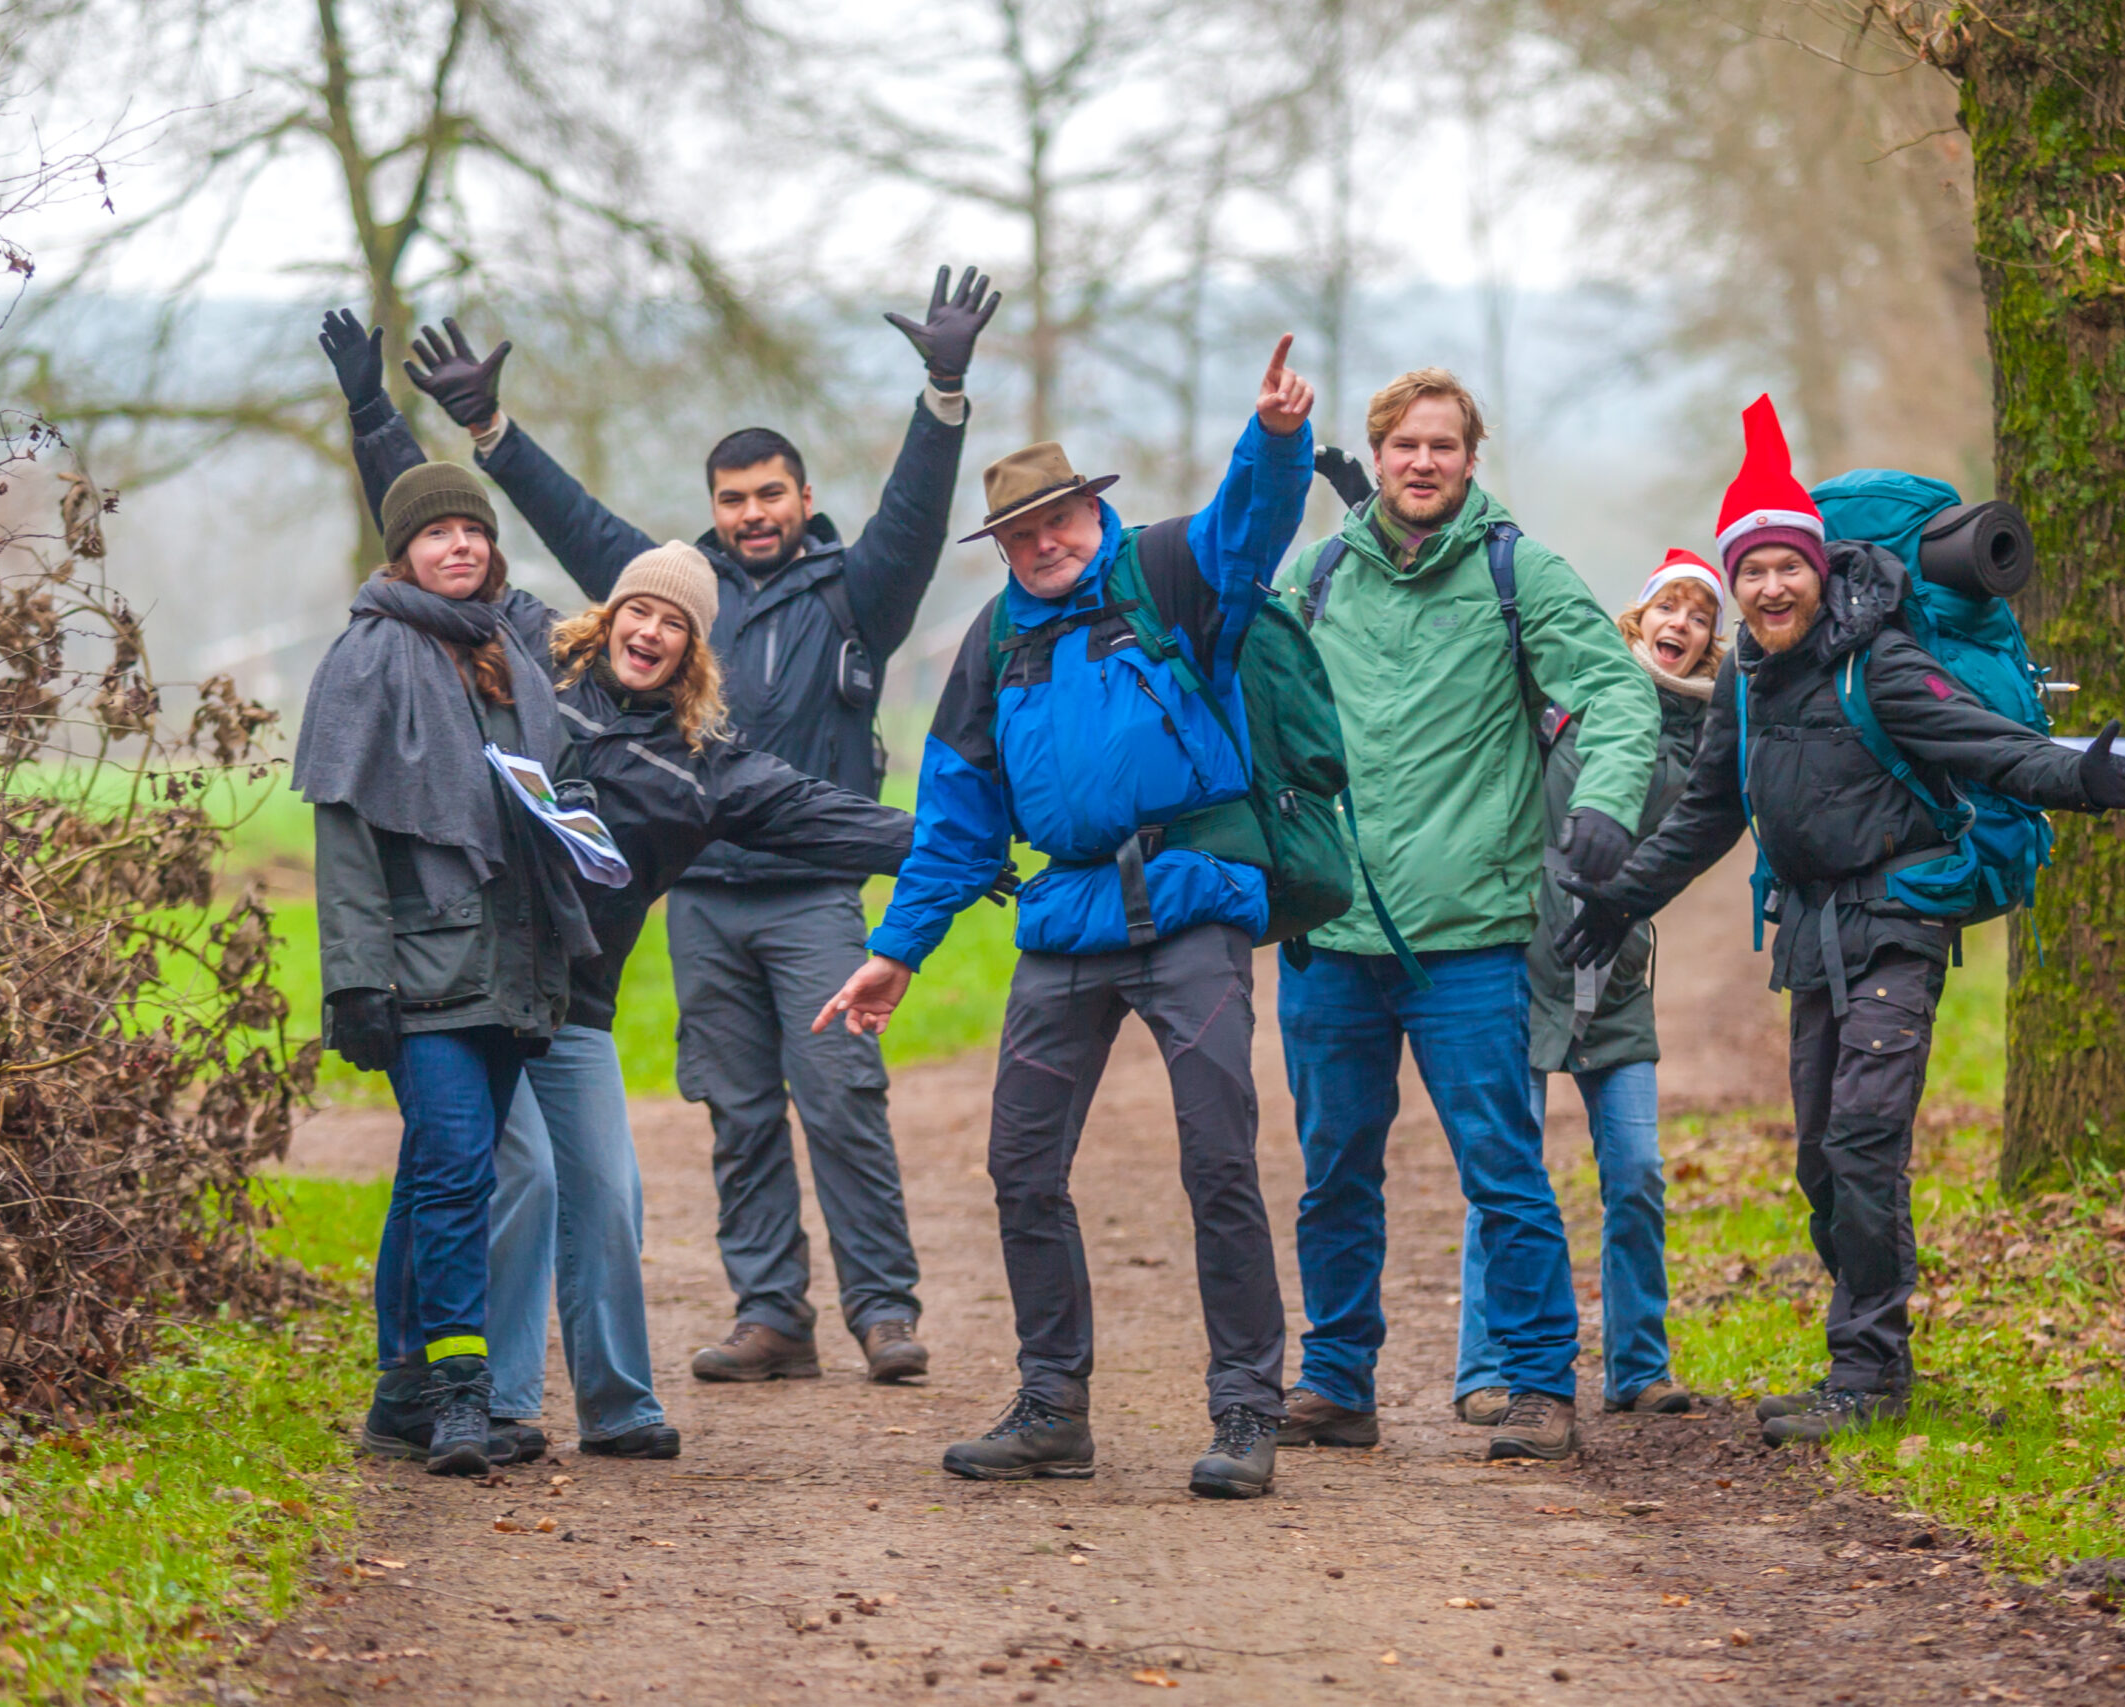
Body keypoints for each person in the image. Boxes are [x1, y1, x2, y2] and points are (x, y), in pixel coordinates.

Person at [321, 271, 991, 1386]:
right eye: (732, 498)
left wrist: (943, 390)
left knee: (837, 1098)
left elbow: (912, 526)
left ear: (801, 495)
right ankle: (766, 1313)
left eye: (770, 494)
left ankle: (881, 1310)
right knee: (724, 1111)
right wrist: (455, 427)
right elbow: (470, 546)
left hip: (803, 893)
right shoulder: (604, 625)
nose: (752, 513)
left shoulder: (850, 598)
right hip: (667, 910)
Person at [1557, 396, 2125, 1445]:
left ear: (1818, 569)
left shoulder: (1875, 662)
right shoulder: (1744, 681)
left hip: (1897, 923)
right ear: (1734, 584)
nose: (1769, 585)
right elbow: (1707, 817)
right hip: (1811, 937)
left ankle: (1869, 1374)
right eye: (1749, 572)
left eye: (1787, 565)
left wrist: (2085, 777)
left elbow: (1982, 745)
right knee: (1819, 1164)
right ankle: (1867, 1352)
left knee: (1863, 1142)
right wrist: (1619, 901)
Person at [813, 337, 1319, 1500]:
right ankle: (1052, 1407)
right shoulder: (995, 646)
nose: (1042, 543)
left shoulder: (1170, 573)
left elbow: (1251, 522)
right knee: (1021, 1165)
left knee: (1217, 1159)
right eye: (1018, 535)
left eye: (1058, 519)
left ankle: (1246, 1412)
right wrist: (895, 954)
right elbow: (954, 821)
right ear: (998, 549)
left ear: (1091, 509)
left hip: (1192, 901)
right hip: (1069, 918)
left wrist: (1276, 439)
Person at [1271, 368, 1660, 1465]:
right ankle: (1336, 1380)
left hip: (1470, 941)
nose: (1423, 463)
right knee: (1332, 1168)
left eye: (1443, 446)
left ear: (1470, 459)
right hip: (1332, 938)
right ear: (1377, 455)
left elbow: (1618, 692)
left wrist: (1603, 807)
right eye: (1404, 446)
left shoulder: (1516, 571)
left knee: (1502, 1167)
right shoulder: (1318, 573)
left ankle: (1538, 1386)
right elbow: (1255, 702)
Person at [297, 462, 599, 1476]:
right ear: (403, 553)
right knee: (460, 1168)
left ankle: (400, 1395)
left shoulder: (506, 651)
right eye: (437, 534)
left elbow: (540, 795)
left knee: (435, 1173)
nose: (459, 546)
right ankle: (463, 1397)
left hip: (513, 964)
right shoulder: (367, 659)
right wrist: (356, 980)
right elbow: (343, 838)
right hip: (419, 979)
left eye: (473, 530)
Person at [1454, 549, 1728, 1429]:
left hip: (1616, 983)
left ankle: (1638, 1366)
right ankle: (1484, 1369)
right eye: (1668, 607)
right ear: (1636, 618)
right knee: (1507, 1169)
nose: (1680, 624)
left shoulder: (1716, 733)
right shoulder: (1568, 699)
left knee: (1638, 1171)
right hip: (1519, 965)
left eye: (1698, 615)